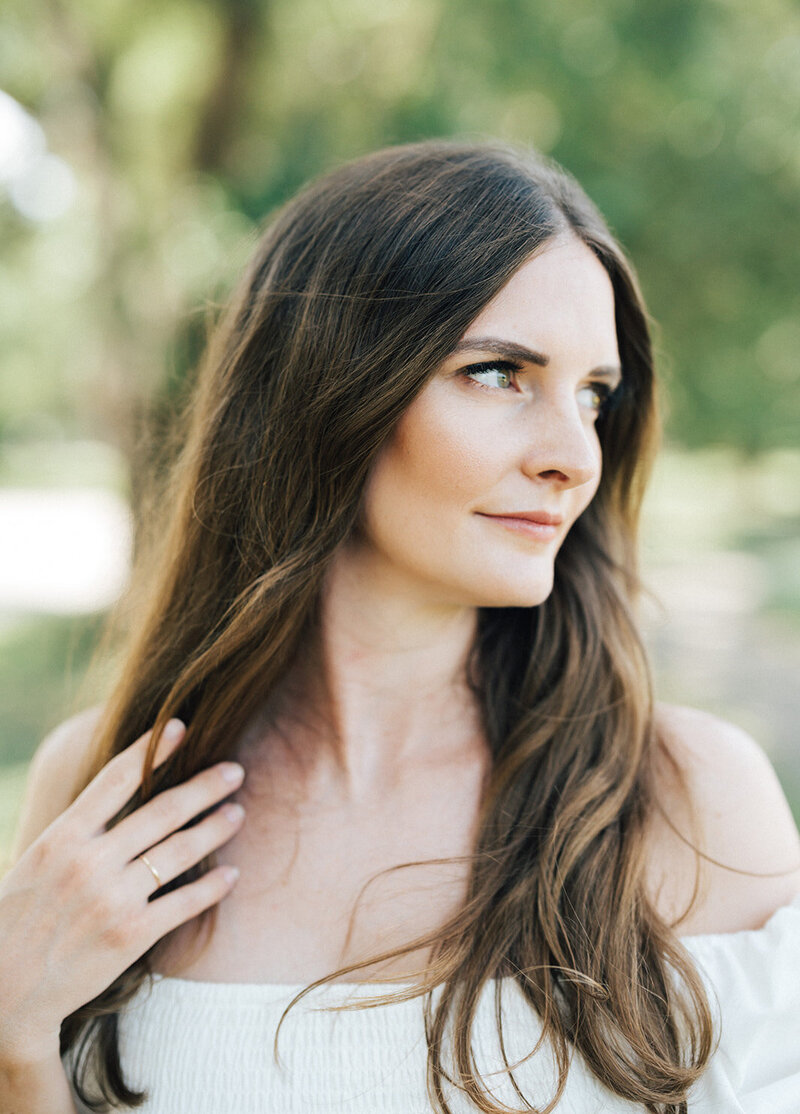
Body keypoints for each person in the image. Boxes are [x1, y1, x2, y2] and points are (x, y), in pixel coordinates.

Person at [1, 139, 799, 1114]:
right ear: (331, 390)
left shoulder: (687, 799)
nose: (571, 455)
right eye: (501, 372)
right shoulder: (111, 788)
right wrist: (17, 1044)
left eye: (594, 394)